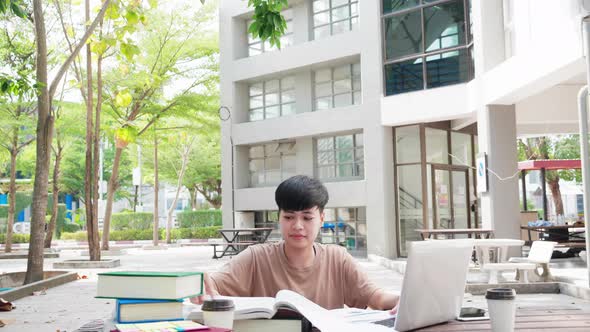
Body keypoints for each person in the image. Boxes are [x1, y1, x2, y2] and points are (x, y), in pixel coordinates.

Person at [192, 175, 399, 311]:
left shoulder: (338, 259)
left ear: (322, 218)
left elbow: (376, 298)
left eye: (307, 218)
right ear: (279, 218)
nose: (298, 226)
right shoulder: (256, 258)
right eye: (289, 217)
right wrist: (199, 282)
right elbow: (212, 284)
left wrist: (402, 301)